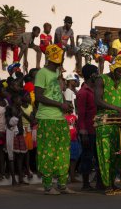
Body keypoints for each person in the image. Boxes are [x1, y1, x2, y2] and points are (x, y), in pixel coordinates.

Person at [34, 44, 75, 195]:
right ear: (55, 59)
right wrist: (60, 104)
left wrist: (65, 104)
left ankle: (62, 185)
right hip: (47, 118)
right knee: (48, 152)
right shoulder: (41, 73)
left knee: (63, 151)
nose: (63, 59)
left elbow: (58, 91)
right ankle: (47, 186)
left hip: (60, 117)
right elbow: (38, 96)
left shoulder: (58, 72)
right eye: (61, 57)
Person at [94, 54, 121, 194]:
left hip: (119, 122)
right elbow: (97, 100)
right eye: (118, 70)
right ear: (113, 68)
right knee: (105, 154)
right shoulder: (101, 79)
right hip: (105, 121)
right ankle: (107, 184)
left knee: (117, 154)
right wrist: (115, 108)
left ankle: (114, 182)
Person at [76, 64, 101, 191]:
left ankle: (99, 183)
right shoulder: (83, 92)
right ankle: (85, 184)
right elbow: (81, 114)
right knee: (87, 156)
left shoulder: (96, 90)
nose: (99, 75)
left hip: (97, 128)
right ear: (92, 75)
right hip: (88, 130)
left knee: (98, 156)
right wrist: (83, 131)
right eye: (97, 73)